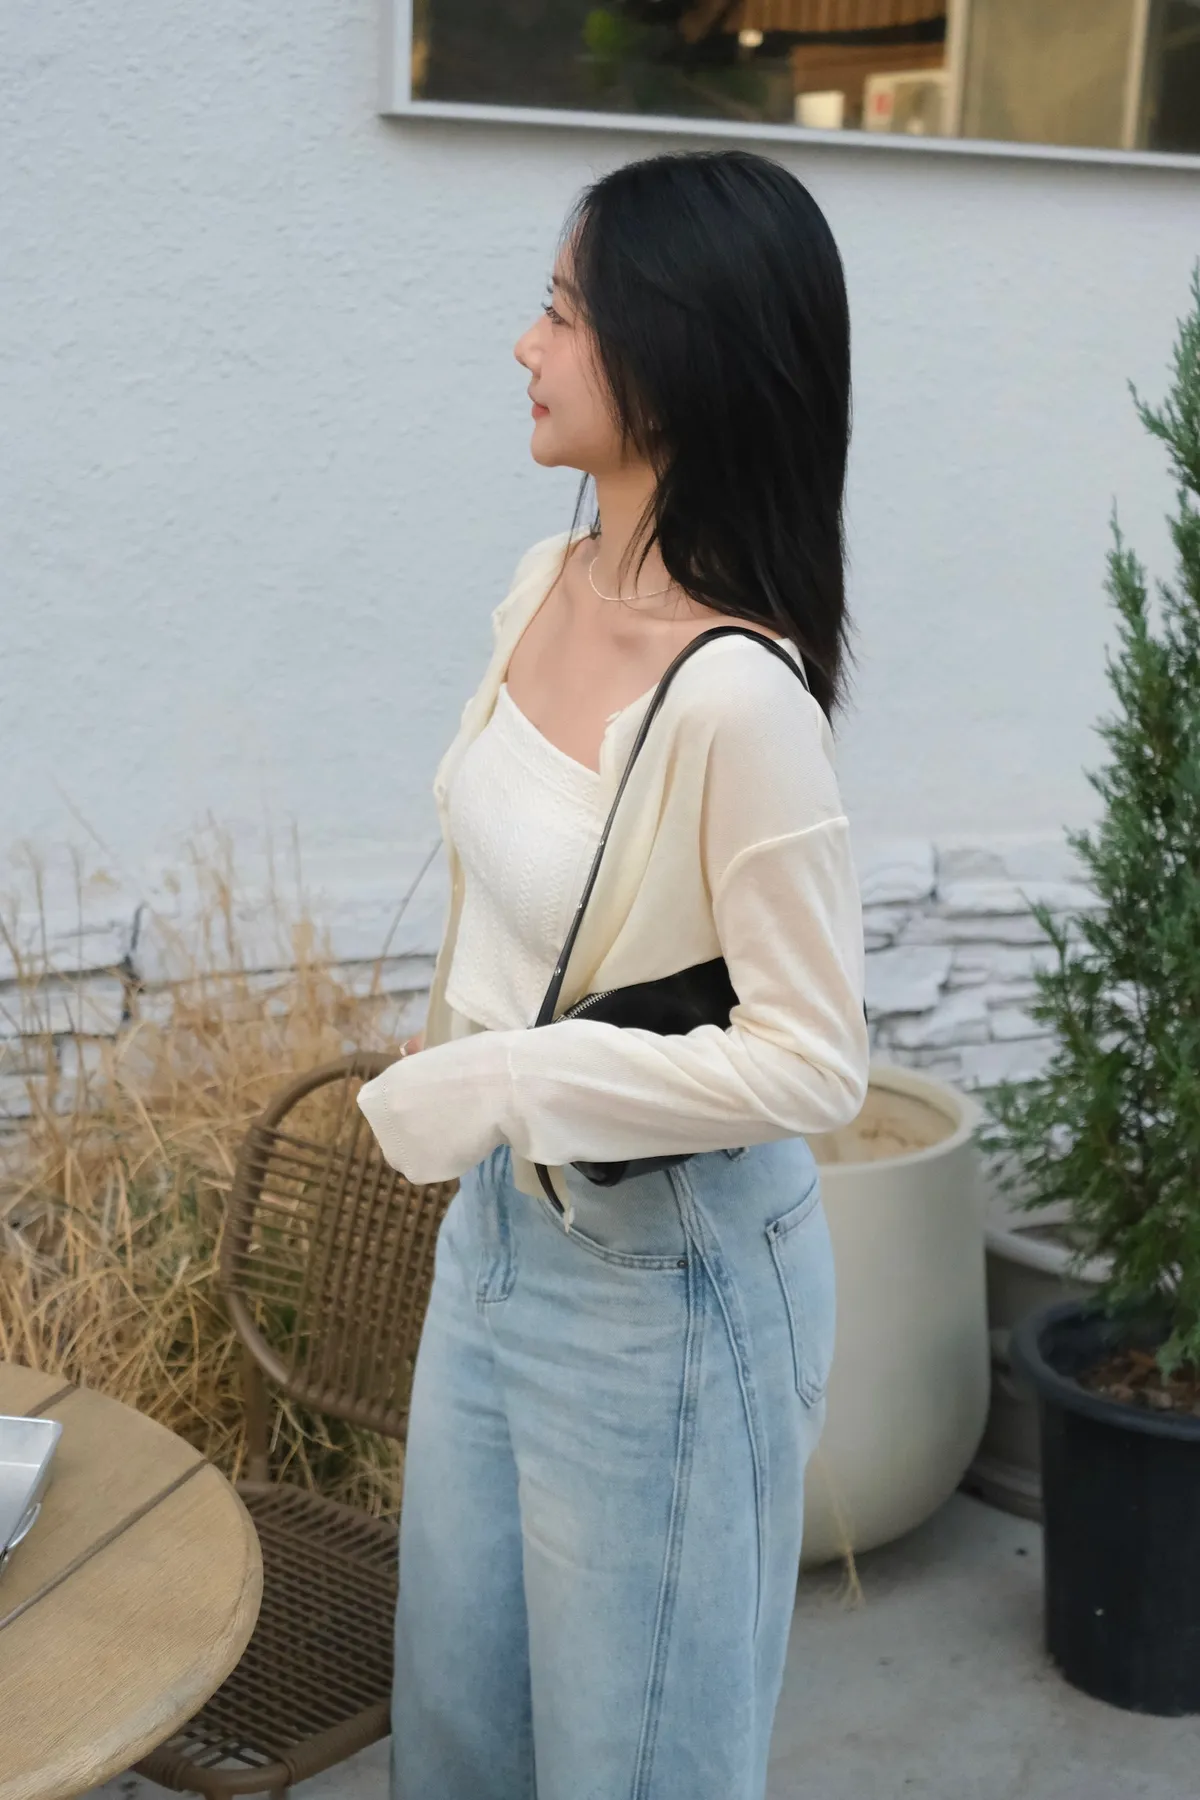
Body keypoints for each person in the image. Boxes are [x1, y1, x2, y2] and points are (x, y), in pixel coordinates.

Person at [357, 147, 870, 1800]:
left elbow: (815, 1060)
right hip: (497, 1246)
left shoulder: (739, 700)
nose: (528, 343)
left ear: (677, 354)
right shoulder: (544, 584)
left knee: (636, 1772)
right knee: (455, 1746)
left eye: (565, 312)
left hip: (670, 1284)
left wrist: (515, 1081)